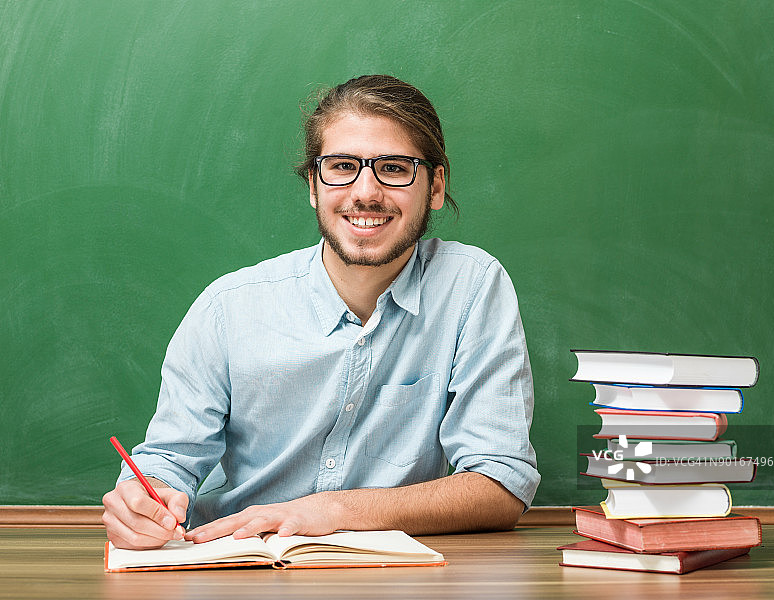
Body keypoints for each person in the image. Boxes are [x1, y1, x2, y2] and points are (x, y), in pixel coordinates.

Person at [102, 74, 540, 550]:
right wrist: (142, 500)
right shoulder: (228, 308)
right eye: (341, 166)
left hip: (391, 575)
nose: (365, 192)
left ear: (435, 187)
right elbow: (168, 460)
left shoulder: (472, 286)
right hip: (235, 565)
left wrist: (334, 511)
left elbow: (501, 483)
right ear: (314, 184)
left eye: (393, 168)